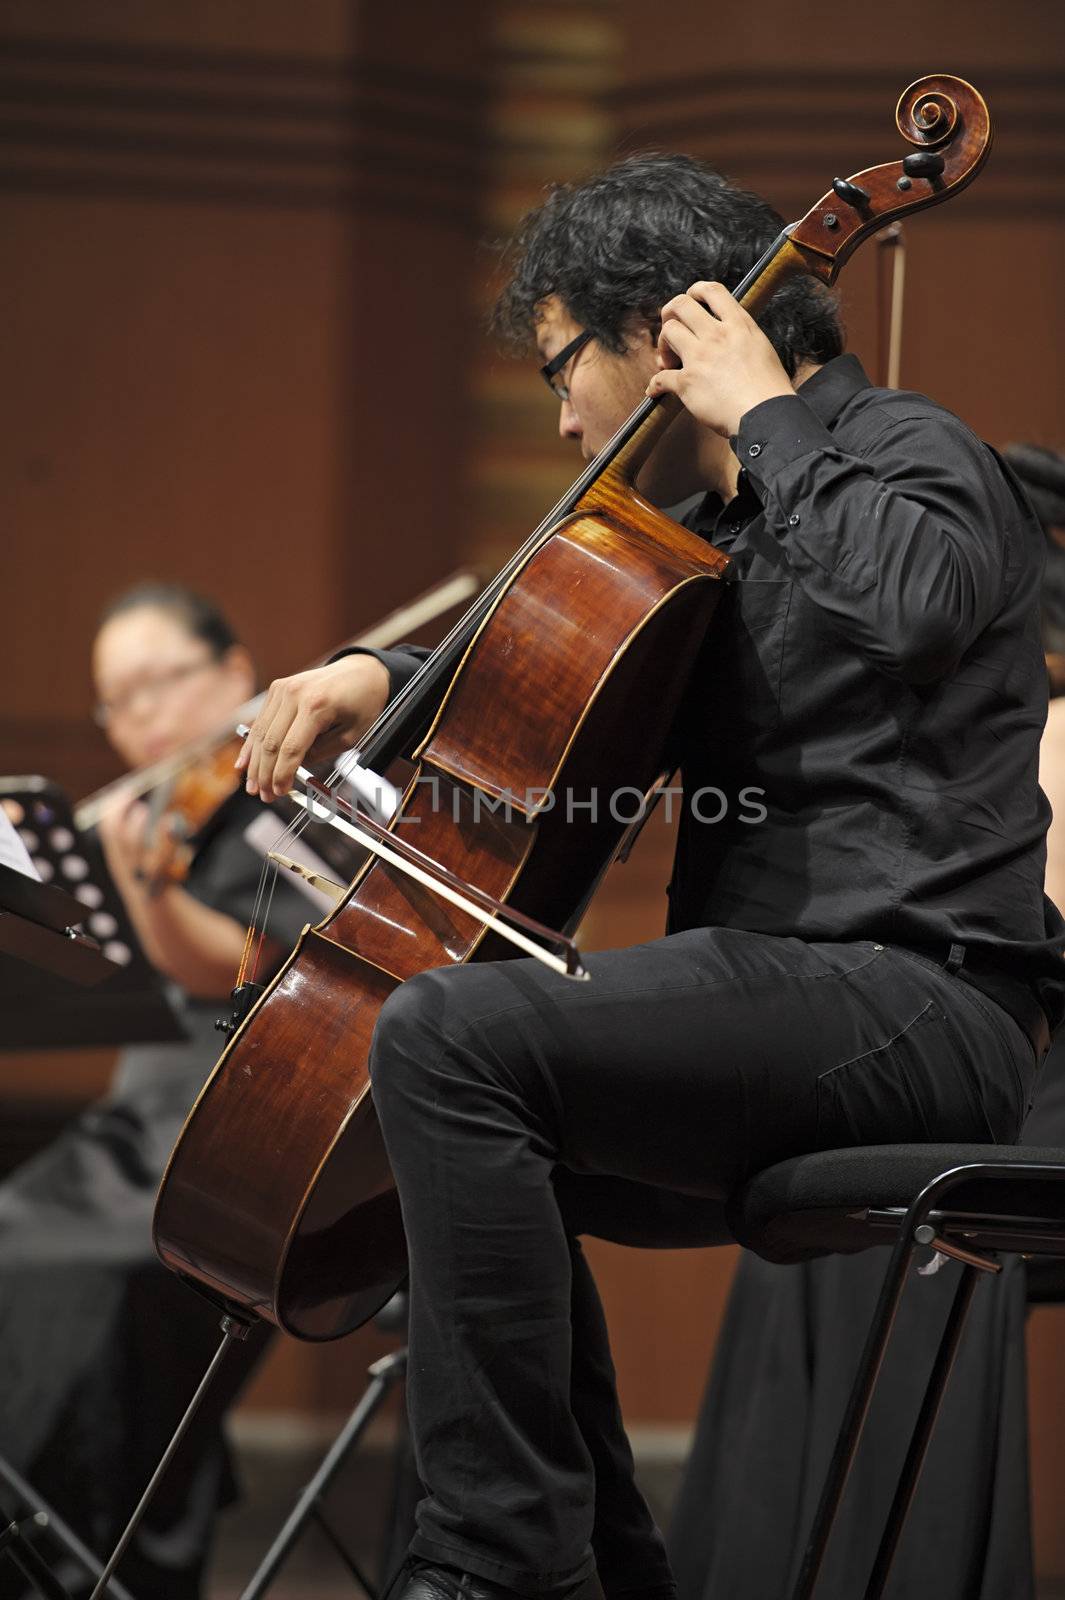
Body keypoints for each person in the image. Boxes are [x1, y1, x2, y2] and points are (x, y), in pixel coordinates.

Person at [237, 153, 1064, 1600]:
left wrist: (765, 413)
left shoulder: (915, 452)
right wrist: (382, 671)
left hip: (922, 1003)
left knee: (447, 1037)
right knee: (463, 1116)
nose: (562, 419)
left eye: (567, 367)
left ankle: (496, 1563)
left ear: (666, 331)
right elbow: (567, 679)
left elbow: (917, 609)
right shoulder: (710, 549)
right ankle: (605, 1571)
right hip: (791, 1017)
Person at [668, 443, 1065, 1600]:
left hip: (1029, 1079)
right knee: (819, 1200)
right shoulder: (960, 737)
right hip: (995, 1061)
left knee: (915, 1218)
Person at [0, 584, 307, 1600]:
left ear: (233, 674)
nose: (139, 719)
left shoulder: (293, 801)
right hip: (136, 1120)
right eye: (115, 703)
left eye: (157, 685)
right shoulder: (152, 821)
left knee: (86, 1286)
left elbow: (247, 964)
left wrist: (145, 892)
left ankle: (100, 1545)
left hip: (231, 1125)